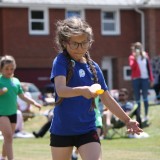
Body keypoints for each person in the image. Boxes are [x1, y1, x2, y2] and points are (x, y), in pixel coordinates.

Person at [50, 17, 143, 160]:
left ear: (90, 42)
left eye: (84, 43)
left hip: (87, 129)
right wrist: (82, 90)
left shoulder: (93, 68)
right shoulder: (61, 61)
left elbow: (107, 98)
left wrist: (127, 120)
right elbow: (61, 89)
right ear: (64, 42)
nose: (80, 48)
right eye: (75, 44)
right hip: (62, 129)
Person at [0, 55, 42, 160]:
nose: (9, 71)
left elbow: (22, 96)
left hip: (13, 113)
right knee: (9, 137)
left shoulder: (16, 81)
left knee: (8, 139)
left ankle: (2, 157)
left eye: (11, 69)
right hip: (2, 114)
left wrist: (34, 103)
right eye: (6, 69)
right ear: (1, 69)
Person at [129, 42, 154, 127]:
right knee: (137, 99)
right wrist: (135, 58)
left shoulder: (145, 55)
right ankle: (139, 116)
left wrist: (151, 79)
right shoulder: (132, 57)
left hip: (145, 78)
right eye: (136, 47)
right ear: (134, 48)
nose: (138, 49)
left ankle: (146, 116)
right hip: (136, 79)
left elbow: (149, 67)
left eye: (139, 47)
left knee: (145, 98)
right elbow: (132, 68)